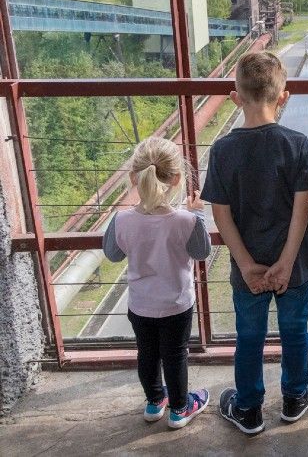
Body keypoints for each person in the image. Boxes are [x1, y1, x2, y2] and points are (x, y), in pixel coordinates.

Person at [202, 51, 308, 436]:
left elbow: (220, 215)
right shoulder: (298, 144)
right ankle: (294, 397)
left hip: (247, 267)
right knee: (295, 331)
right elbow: (302, 212)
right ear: (283, 97)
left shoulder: (221, 150)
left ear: (236, 97)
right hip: (296, 265)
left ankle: (249, 408)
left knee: (249, 337)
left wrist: (246, 264)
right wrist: (286, 263)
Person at [102, 136, 211, 429]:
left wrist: (116, 222)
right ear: (176, 179)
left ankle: (154, 402)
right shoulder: (186, 221)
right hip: (176, 304)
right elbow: (202, 252)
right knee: (175, 355)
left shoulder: (122, 220)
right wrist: (198, 213)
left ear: (133, 178)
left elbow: (112, 253)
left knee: (147, 353)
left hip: (140, 305)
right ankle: (180, 408)